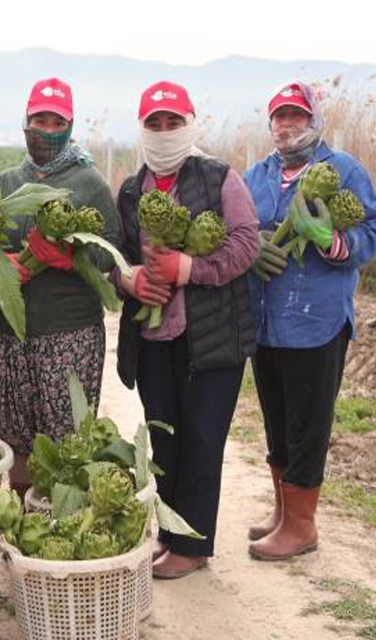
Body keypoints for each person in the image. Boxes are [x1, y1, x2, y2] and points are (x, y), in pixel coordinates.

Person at [113, 81, 259, 579]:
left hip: (211, 340)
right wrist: (128, 280)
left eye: (173, 122)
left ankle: (194, 544)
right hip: (155, 340)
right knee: (166, 440)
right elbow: (116, 258)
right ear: (142, 129)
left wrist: (188, 268)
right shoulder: (131, 190)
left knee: (201, 439)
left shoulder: (219, 179)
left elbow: (245, 246)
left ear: (190, 123)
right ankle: (171, 532)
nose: (164, 132)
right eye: (154, 124)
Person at [244, 81, 376, 560]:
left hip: (317, 321)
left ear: (314, 121)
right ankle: (283, 512)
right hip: (266, 322)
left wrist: (331, 241)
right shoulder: (256, 176)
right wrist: (251, 250)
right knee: (277, 419)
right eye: (279, 116)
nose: (287, 125)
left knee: (308, 424)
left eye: (296, 116)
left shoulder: (343, 171)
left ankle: (302, 526)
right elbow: (235, 232)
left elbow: (372, 232)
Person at [0, 78, 121, 497]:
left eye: (56, 120)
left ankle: (59, 523)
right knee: (17, 437)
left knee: (64, 443)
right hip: (11, 331)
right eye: (38, 120)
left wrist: (71, 256)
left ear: (70, 124)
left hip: (69, 333)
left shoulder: (90, 184)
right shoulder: (7, 181)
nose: (46, 129)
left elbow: (112, 251)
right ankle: (25, 517)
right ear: (25, 123)